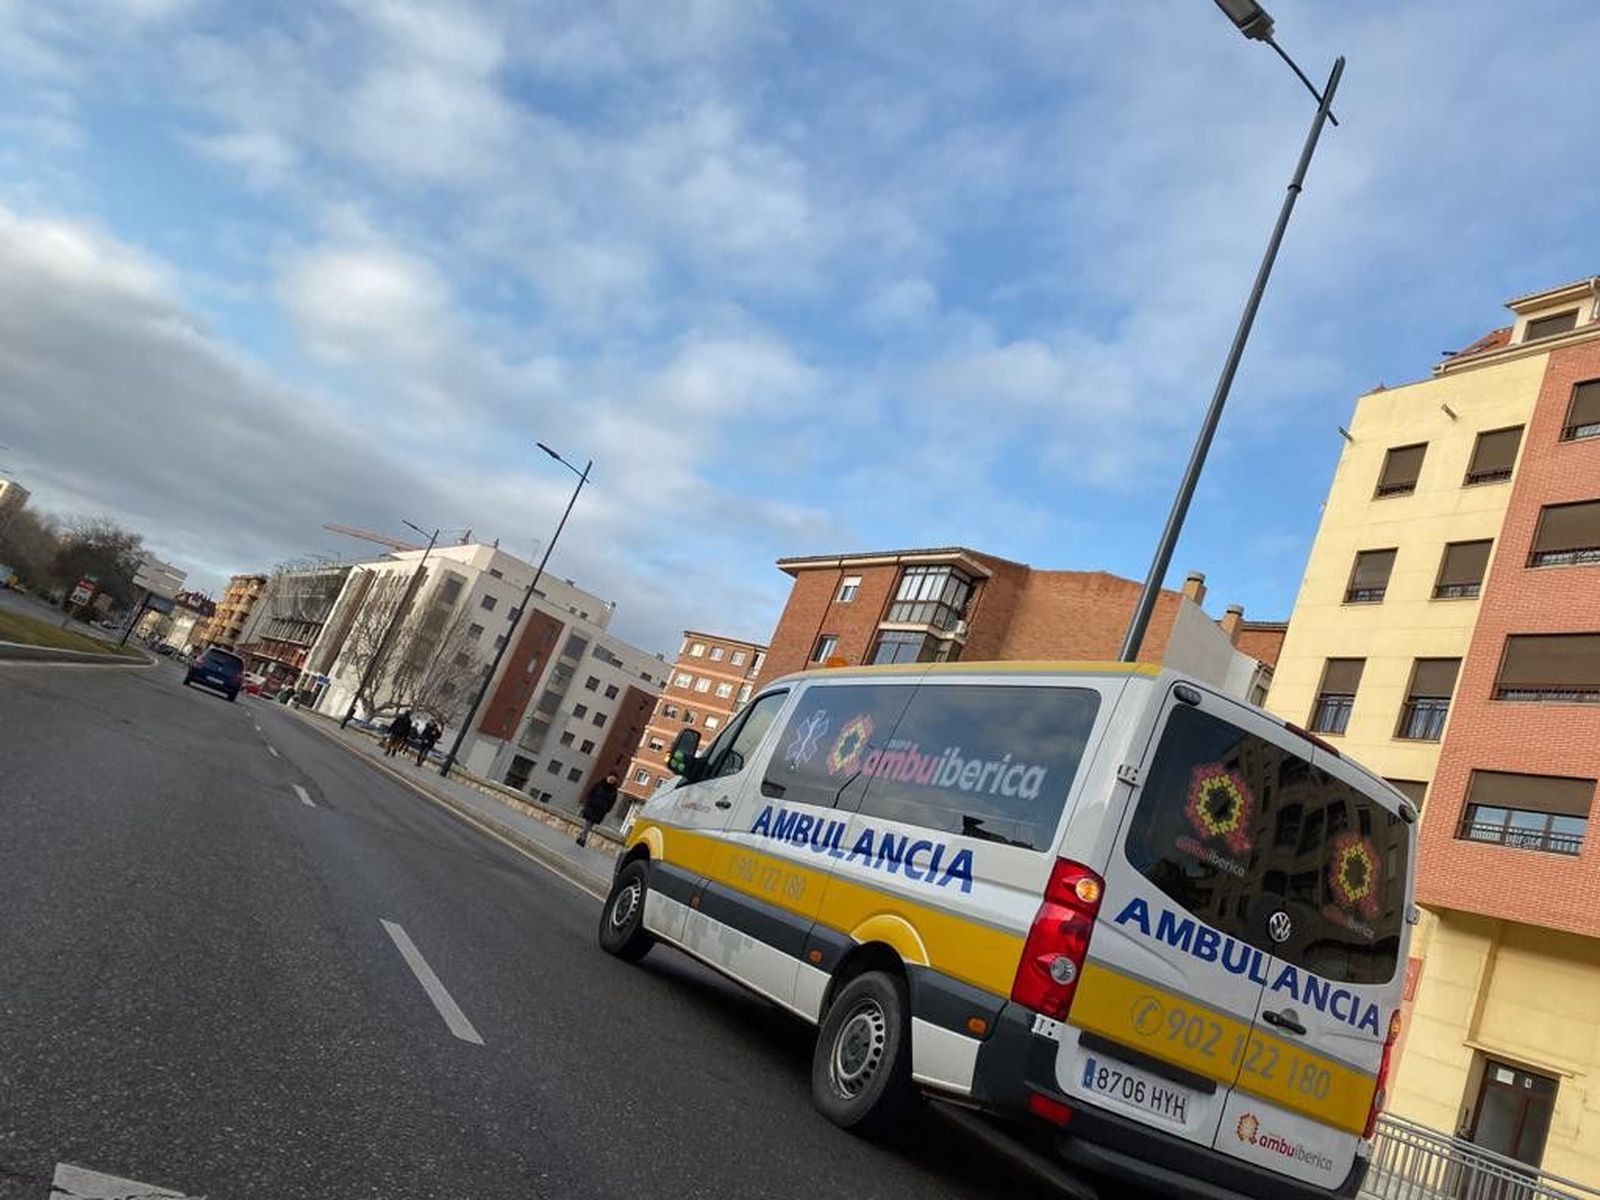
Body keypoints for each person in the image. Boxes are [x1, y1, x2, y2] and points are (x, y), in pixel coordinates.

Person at [576, 772, 620, 847]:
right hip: (592, 807)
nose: (611, 780)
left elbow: (612, 802)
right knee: (588, 822)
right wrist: (588, 802)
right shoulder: (599, 784)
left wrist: (607, 809)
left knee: (591, 824)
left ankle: (581, 836)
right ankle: (583, 839)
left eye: (613, 780)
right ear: (608, 777)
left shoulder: (614, 791)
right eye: (611, 779)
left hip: (601, 811)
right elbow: (591, 793)